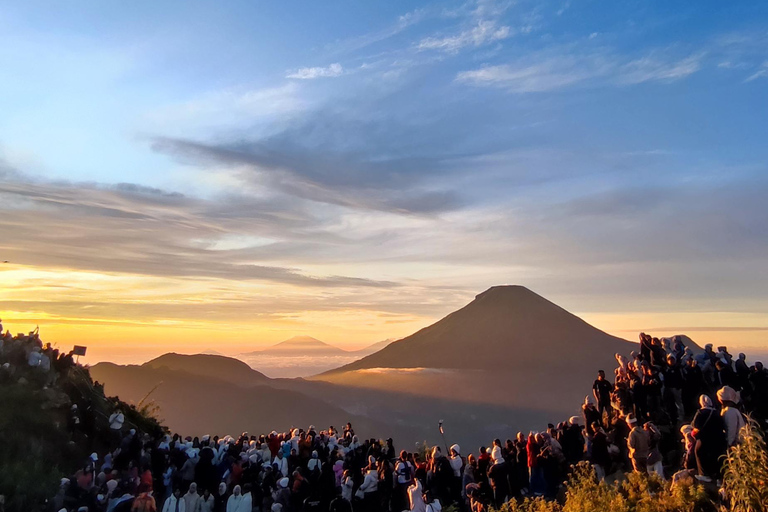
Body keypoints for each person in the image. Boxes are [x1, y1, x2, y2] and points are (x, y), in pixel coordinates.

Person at [691, 395, 727, 483]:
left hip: (704, 439)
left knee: (699, 453)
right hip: (718, 438)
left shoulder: (700, 412)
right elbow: (722, 425)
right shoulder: (717, 412)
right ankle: (719, 478)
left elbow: (695, 425)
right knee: (716, 457)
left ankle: (704, 474)